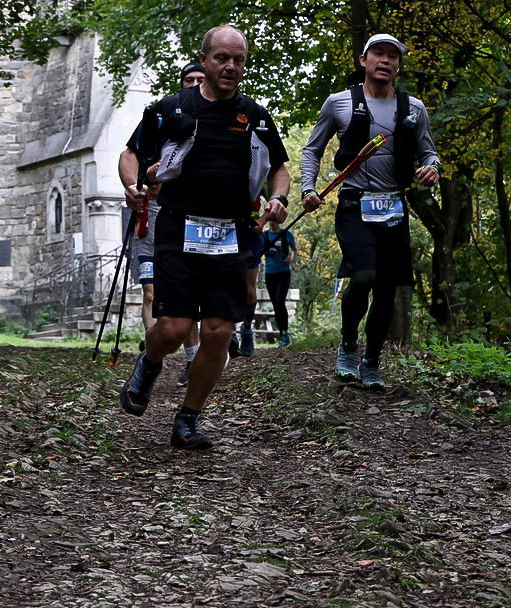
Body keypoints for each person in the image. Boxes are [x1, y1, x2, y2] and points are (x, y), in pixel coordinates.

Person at [119, 25, 290, 449]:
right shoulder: (172, 109)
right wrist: (133, 184)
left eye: (238, 60)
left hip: (231, 233)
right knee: (174, 329)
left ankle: (188, 418)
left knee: (217, 332)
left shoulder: (254, 116)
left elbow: (278, 169)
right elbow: (131, 154)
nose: (230, 67)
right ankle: (151, 360)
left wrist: (278, 198)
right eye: (221, 59)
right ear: (205, 58)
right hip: (178, 227)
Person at [300, 33, 440, 390]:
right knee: (363, 277)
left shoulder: (414, 108)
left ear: (398, 66)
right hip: (353, 201)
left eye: (393, 56)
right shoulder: (340, 103)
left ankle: (372, 360)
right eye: (378, 53)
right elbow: (312, 150)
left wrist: (432, 169)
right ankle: (348, 345)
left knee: (387, 288)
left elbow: (428, 153)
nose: (386, 60)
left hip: (393, 205)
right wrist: (308, 188)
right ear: (363, 60)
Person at [122, 61, 206, 386]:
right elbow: (129, 154)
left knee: (188, 297)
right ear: (181, 83)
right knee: (149, 292)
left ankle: (190, 359)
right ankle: (151, 352)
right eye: (189, 79)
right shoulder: (162, 114)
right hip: (151, 216)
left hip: (190, 219)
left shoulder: (218, 119)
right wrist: (133, 186)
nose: (195, 84)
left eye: (200, 79)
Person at [261, 217, 296, 347]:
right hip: (269, 273)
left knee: (280, 301)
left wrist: (292, 259)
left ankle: (285, 333)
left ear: (279, 221)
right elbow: (258, 249)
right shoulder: (264, 235)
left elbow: (294, 249)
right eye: (270, 220)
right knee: (276, 304)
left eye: (274, 220)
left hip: (283, 272)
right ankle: (282, 334)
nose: (272, 222)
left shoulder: (286, 234)